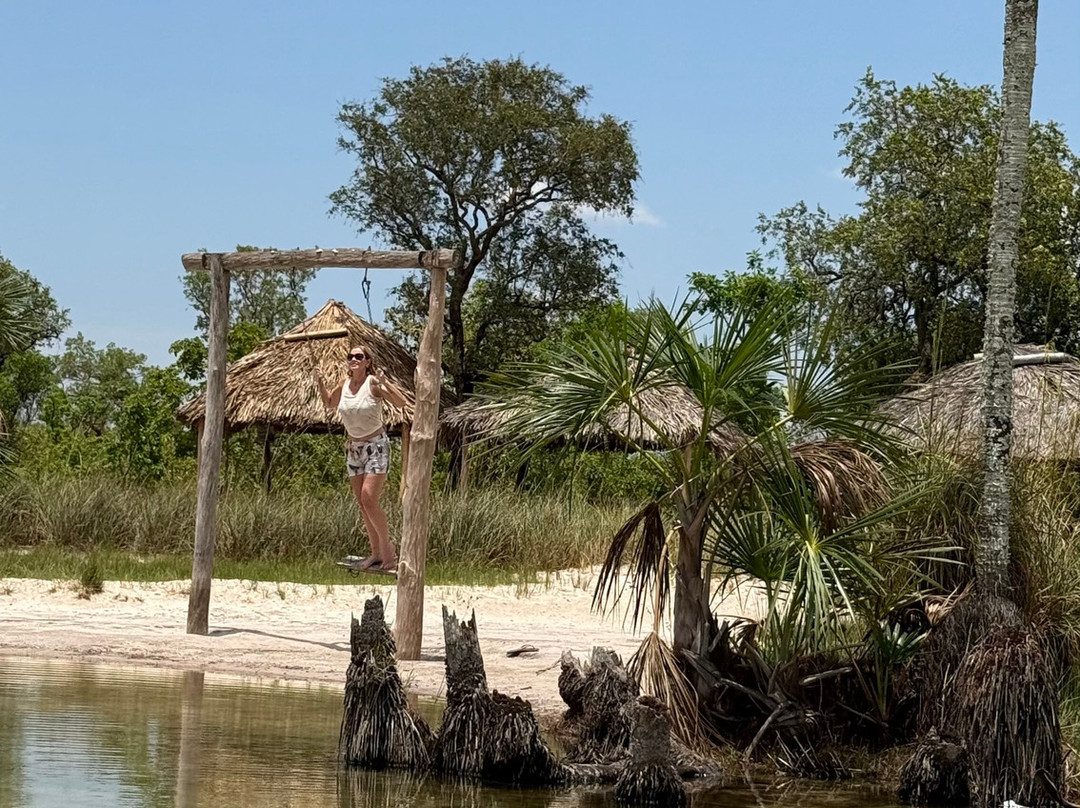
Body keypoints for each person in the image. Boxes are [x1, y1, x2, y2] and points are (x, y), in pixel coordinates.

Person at [314, 345, 409, 573]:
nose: (354, 359)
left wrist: (386, 383)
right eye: (351, 356)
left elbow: (401, 402)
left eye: (359, 356)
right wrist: (319, 381)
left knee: (369, 497)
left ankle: (389, 551)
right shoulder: (344, 384)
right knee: (362, 504)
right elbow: (329, 402)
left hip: (375, 446)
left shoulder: (373, 383)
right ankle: (375, 552)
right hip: (354, 447)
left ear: (367, 362)